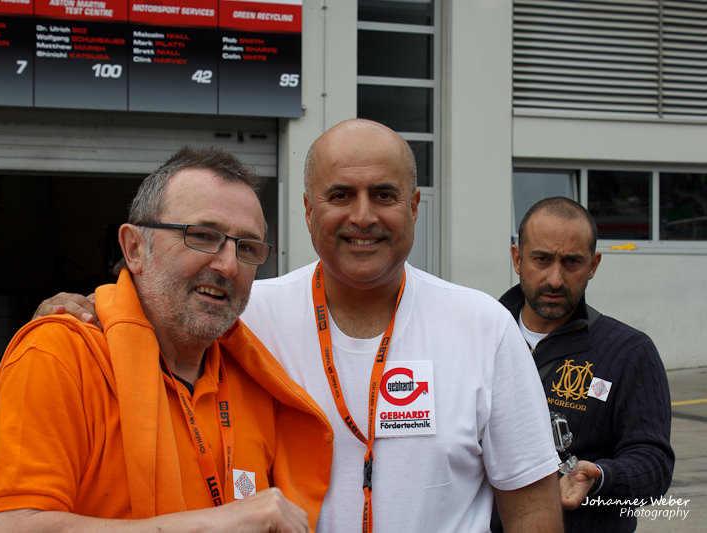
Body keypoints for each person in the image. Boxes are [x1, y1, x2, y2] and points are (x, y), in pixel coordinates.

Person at [33, 119, 564, 532]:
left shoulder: (483, 327)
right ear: (309, 211)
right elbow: (151, 311)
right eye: (341, 195)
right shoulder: (239, 316)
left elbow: (532, 510)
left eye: (384, 195)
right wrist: (87, 308)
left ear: (414, 206)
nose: (363, 217)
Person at [0, 147, 333, 533]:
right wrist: (222, 522)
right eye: (202, 236)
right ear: (135, 249)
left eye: (247, 247)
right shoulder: (62, 356)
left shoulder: (256, 377)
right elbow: (11, 526)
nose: (228, 265)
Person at [497, 196, 674, 532]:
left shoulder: (629, 352)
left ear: (593, 265)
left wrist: (601, 478)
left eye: (572, 262)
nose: (555, 279)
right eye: (542, 259)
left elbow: (655, 465)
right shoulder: (480, 338)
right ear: (517, 258)